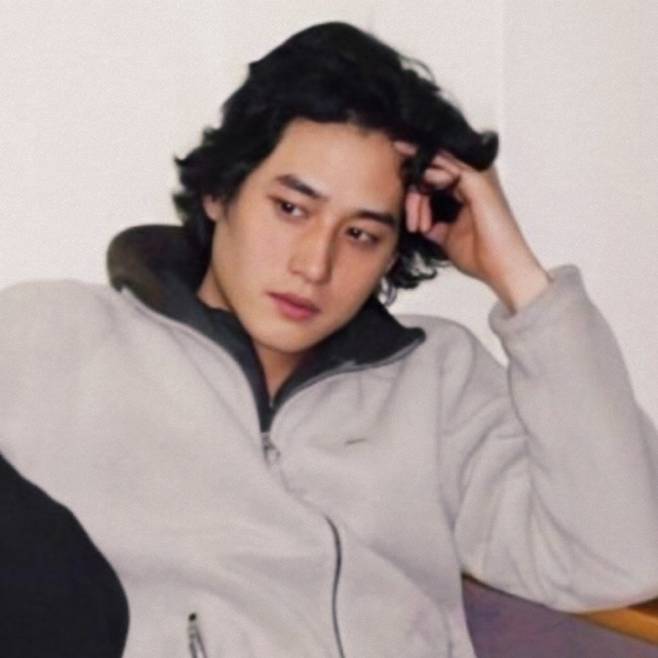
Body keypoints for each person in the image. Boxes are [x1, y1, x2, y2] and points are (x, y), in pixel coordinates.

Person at [1, 20, 657, 658]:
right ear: (221, 192)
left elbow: (622, 559)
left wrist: (519, 278)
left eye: (361, 235)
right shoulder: (52, 337)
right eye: (291, 208)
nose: (315, 265)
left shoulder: (438, 382)